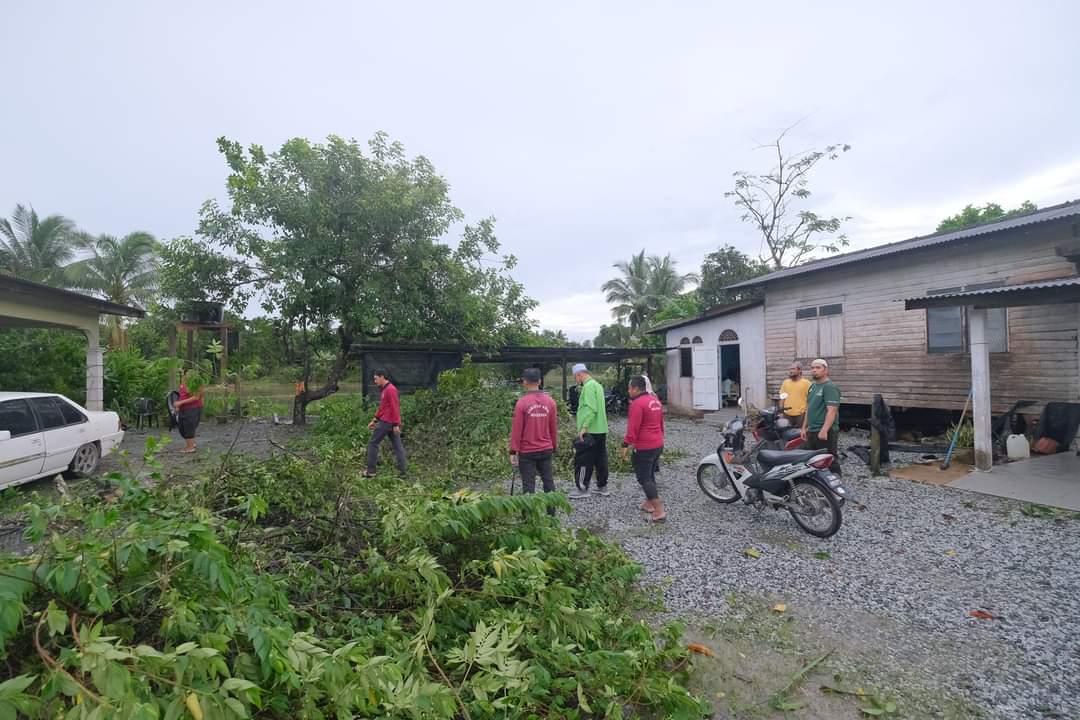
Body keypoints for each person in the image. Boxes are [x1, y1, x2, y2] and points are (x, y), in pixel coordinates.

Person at [510, 368, 559, 514]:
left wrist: (513, 451)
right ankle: (551, 515)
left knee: (528, 486)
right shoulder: (550, 402)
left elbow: (517, 430)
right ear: (539, 382)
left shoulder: (522, 403)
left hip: (527, 452)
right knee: (548, 482)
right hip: (545, 449)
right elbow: (553, 428)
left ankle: (528, 519)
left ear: (524, 382)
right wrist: (554, 446)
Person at [621, 375, 666, 522]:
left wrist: (625, 445)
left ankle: (659, 510)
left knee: (644, 477)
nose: (628, 391)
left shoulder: (637, 404)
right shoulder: (655, 401)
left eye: (629, 388)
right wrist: (660, 439)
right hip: (657, 444)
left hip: (645, 446)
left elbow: (633, 427)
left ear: (635, 388)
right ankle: (649, 503)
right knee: (650, 473)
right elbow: (661, 424)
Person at [570, 363, 609, 499]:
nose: (576, 380)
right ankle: (602, 486)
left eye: (575, 377)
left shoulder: (587, 387)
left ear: (579, 374)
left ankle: (582, 489)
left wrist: (584, 427)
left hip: (590, 430)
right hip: (601, 429)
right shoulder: (598, 385)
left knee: (583, 460)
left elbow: (592, 409)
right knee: (600, 459)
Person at [800, 358, 842, 475]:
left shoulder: (830, 387)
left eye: (818, 368)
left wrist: (824, 430)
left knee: (829, 459)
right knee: (814, 460)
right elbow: (809, 408)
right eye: (812, 368)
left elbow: (832, 410)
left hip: (826, 431)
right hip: (812, 430)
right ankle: (820, 484)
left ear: (826, 370)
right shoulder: (812, 387)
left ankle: (836, 485)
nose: (814, 370)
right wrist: (804, 427)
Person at [364, 368, 407, 477]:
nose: (375, 381)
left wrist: (396, 424)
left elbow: (395, 407)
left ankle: (371, 471)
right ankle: (402, 473)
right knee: (397, 446)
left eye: (376, 379)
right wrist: (374, 420)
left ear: (382, 376)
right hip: (389, 422)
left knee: (373, 443)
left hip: (387, 422)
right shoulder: (385, 389)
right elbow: (383, 407)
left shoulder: (391, 390)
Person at [174, 370, 204, 453]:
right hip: (184, 409)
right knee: (182, 428)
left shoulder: (196, 383)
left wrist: (180, 403)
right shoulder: (183, 383)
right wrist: (178, 405)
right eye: (185, 373)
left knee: (188, 427)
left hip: (192, 408)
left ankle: (190, 447)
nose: (186, 375)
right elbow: (182, 396)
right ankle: (191, 444)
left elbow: (196, 397)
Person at [779, 361, 812, 430]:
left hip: (801, 415)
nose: (790, 371)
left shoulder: (806, 383)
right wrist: (781, 412)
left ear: (800, 370)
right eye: (790, 369)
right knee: (786, 434)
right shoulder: (785, 382)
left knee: (801, 435)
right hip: (787, 415)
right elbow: (782, 398)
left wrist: (807, 413)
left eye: (793, 369)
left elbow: (811, 399)